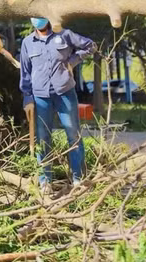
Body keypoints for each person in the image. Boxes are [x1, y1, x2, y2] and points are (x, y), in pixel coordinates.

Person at [19, 17, 95, 193]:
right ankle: (45, 181)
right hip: (40, 97)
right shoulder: (27, 43)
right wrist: (27, 98)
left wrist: (72, 61)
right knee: (43, 138)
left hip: (65, 92)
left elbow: (90, 46)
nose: (38, 21)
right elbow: (25, 72)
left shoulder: (64, 35)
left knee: (73, 135)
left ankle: (78, 179)